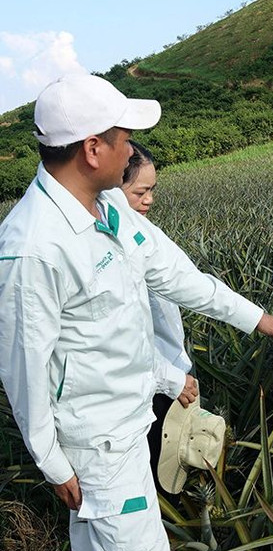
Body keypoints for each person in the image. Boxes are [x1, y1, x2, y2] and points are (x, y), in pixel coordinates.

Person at [0, 73, 273, 551]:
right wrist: (53, 463)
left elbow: (178, 277)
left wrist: (258, 319)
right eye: (125, 140)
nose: (131, 152)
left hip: (128, 422)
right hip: (98, 444)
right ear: (93, 148)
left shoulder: (109, 210)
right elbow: (23, 365)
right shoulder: (33, 247)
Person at [120, 140, 190, 504]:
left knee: (173, 461)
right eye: (140, 191)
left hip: (171, 368)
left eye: (152, 190)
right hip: (151, 380)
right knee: (156, 469)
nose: (148, 200)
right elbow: (125, 336)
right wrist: (172, 377)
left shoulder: (146, 233)